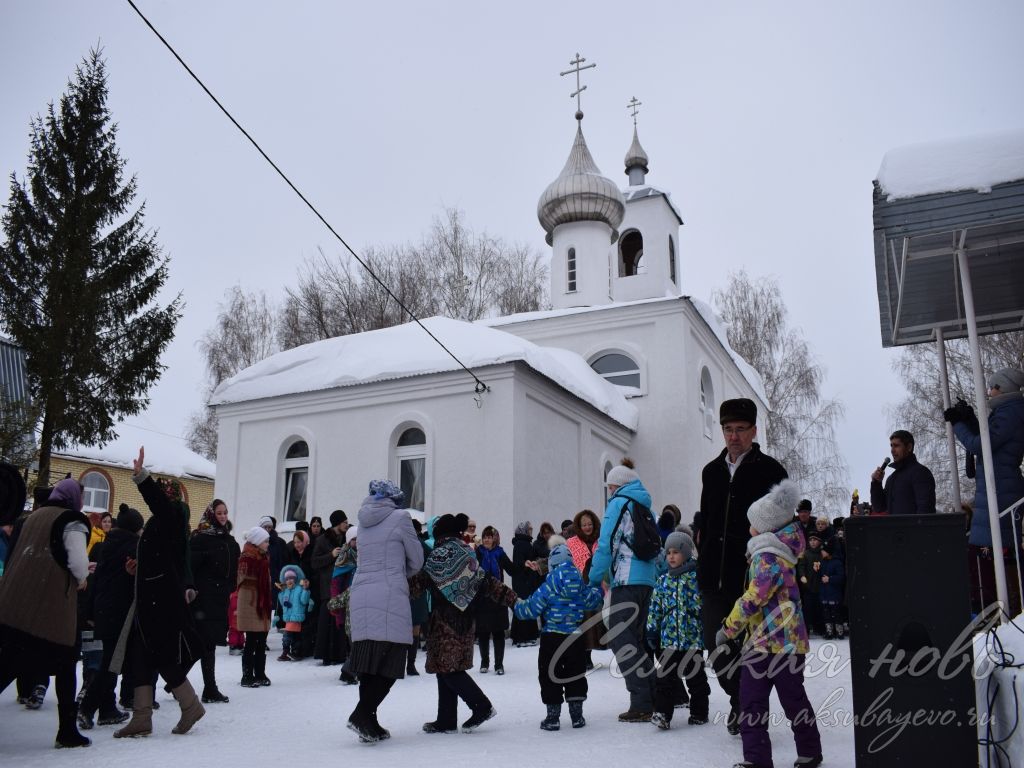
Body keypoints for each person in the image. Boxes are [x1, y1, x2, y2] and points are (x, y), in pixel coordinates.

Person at [714, 479, 822, 768]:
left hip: (771, 644)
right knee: (780, 699)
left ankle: (771, 756)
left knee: (756, 702)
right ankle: (769, 756)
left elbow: (753, 597)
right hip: (778, 643)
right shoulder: (776, 553)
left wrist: (728, 627)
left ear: (765, 527)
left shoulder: (768, 557)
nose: (748, 527)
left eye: (752, 523)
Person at [696, 398, 787, 735]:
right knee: (715, 644)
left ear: (753, 430)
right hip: (712, 576)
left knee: (752, 650)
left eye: (740, 429)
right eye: (728, 429)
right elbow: (705, 520)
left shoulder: (771, 471)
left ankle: (749, 708)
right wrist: (701, 556)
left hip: (752, 577)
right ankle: (742, 700)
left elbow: (782, 525)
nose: (733, 437)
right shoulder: (711, 471)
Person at [112, 447, 206, 739]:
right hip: (150, 600)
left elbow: (161, 506)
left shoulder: (173, 517)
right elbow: (161, 558)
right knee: (141, 656)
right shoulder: (161, 523)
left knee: (160, 654)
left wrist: (142, 478)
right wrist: (136, 568)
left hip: (162, 603)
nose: (163, 495)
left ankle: (190, 705)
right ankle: (143, 717)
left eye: (166, 491)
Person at [0, 474, 92, 748]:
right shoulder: (71, 521)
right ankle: (67, 731)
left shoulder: (32, 517)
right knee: (65, 665)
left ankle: (67, 730)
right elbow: (77, 562)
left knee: (9, 664)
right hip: (50, 610)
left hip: (15, 605)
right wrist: (83, 577)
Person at [413, 513, 517, 736]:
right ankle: (446, 719)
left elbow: (418, 585)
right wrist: (514, 601)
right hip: (466, 618)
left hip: (444, 620)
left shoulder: (438, 555)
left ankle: (481, 707)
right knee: (447, 668)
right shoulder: (467, 554)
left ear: (439, 534)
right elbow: (488, 583)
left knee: (449, 670)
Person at [345, 479, 424, 743]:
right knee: (391, 660)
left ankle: (370, 723)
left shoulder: (362, 524)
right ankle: (361, 714)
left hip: (362, 592)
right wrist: (400, 572)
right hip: (389, 593)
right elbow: (417, 560)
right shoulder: (401, 518)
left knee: (369, 663)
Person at [946, 367, 1024, 616]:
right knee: (987, 553)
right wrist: (969, 420)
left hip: (1001, 489)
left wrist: (958, 425)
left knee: (989, 554)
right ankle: (997, 608)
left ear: (1003, 388)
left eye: (992, 387)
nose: (989, 392)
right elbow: (990, 441)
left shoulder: (1010, 412)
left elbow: (982, 444)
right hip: (998, 486)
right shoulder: (1007, 412)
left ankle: (999, 610)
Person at [588, 457, 660, 723]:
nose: (609, 491)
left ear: (617, 485)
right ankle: (653, 695)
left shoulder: (619, 503)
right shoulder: (646, 507)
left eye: (610, 486)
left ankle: (642, 702)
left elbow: (606, 543)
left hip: (626, 580)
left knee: (621, 637)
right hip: (647, 581)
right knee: (637, 639)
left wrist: (595, 577)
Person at [513, 542, 603, 730]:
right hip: (575, 638)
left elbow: (531, 608)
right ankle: (577, 716)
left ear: (552, 564)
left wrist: (517, 606)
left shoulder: (549, 584)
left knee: (549, 674)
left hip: (552, 637)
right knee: (575, 674)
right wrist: (598, 591)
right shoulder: (579, 583)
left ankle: (553, 718)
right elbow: (593, 600)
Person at [78, 504, 144, 731]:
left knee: (109, 659)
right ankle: (86, 708)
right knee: (111, 664)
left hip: (103, 609)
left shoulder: (106, 544)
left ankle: (107, 709)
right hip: (120, 612)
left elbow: (97, 579)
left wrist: (90, 611)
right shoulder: (133, 547)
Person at [647, 530, 710, 730]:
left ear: (686, 553)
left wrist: (706, 630)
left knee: (696, 678)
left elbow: (704, 608)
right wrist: (652, 630)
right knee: (664, 678)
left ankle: (699, 712)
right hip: (669, 640)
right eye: (668, 552)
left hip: (692, 640)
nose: (671, 556)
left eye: (676, 552)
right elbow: (655, 609)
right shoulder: (662, 582)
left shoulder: (696, 579)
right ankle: (662, 714)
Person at [188, 498, 239, 703]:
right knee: (205, 644)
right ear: (211, 514)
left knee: (205, 644)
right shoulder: (200, 539)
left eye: (225, 512)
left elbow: (233, 566)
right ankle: (209, 688)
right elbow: (191, 568)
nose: (223, 516)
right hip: (204, 599)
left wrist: (231, 587)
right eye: (219, 513)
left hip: (220, 598)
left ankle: (176, 682)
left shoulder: (228, 539)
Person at [475, 525, 518, 674]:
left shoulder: (500, 553)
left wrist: (524, 564)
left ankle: (499, 664)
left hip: (498, 596)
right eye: (485, 537)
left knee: (498, 631)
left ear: (494, 539)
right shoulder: (477, 553)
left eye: (490, 537)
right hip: (482, 596)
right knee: (483, 632)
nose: (487, 539)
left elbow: (512, 570)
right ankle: (484, 662)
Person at [312, 509, 349, 664]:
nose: (347, 525)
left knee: (340, 623)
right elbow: (314, 562)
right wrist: (331, 555)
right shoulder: (322, 540)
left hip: (343, 586)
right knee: (327, 624)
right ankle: (326, 655)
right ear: (337, 523)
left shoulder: (347, 538)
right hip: (328, 587)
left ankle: (341, 654)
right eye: (344, 522)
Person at [869, 430, 936, 515]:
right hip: (894, 528)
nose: (892, 450)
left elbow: (926, 511)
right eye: (891, 446)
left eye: (896, 446)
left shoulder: (920, 473)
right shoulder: (891, 479)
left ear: (909, 447)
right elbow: (879, 507)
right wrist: (876, 483)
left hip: (913, 528)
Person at [509, 521, 542, 647]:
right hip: (524, 582)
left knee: (523, 606)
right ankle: (523, 636)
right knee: (525, 606)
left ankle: (522, 635)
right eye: (529, 529)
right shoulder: (523, 544)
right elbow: (520, 563)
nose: (531, 531)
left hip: (522, 581)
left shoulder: (522, 543)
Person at [276, 564, 312, 661]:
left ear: (295, 579)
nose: (289, 581)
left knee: (290, 635)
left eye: (291, 578)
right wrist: (281, 592)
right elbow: (282, 602)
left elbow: (304, 601)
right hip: (289, 617)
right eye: (287, 579)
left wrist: (305, 590)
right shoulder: (286, 591)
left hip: (296, 617)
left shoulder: (299, 589)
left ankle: (290, 652)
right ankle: (290, 651)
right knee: (292, 635)